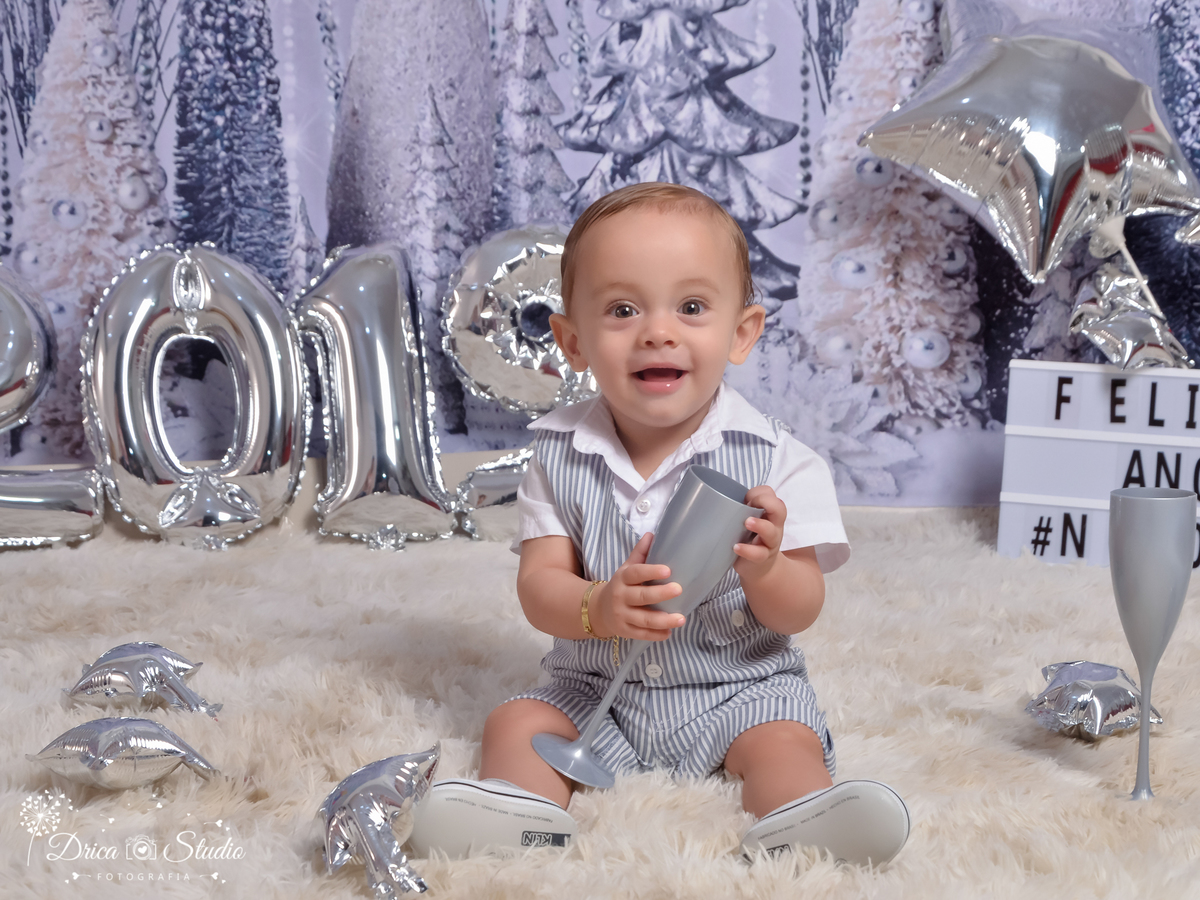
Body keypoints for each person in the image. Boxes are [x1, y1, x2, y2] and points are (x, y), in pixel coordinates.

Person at [408, 183, 909, 865]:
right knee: (518, 720)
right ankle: (520, 817)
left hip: (737, 688)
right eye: (622, 309)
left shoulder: (776, 460)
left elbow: (801, 609)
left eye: (693, 307)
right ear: (572, 341)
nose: (658, 331)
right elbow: (539, 586)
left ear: (741, 334)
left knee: (782, 740)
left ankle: (798, 818)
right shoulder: (558, 454)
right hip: (597, 695)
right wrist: (598, 604)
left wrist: (766, 568)